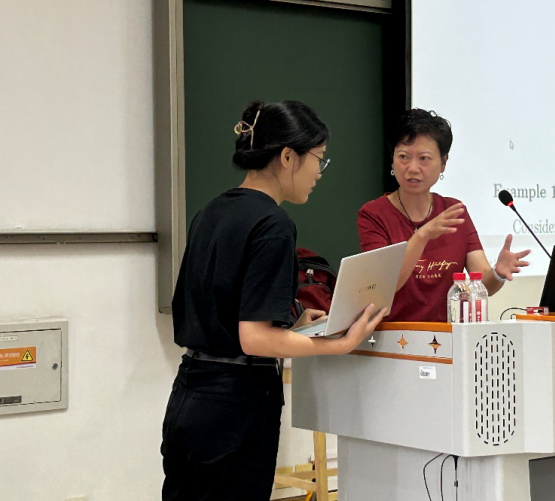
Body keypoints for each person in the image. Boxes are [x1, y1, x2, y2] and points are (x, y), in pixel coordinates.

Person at [162, 100, 387, 501]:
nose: (319, 172)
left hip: (189, 395)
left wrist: (294, 327)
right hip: (236, 404)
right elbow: (254, 339)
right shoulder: (273, 223)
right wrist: (338, 344)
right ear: (287, 157)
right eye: (318, 158)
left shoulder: (210, 211)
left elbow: (226, 314)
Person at [357, 108, 530, 322]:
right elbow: (384, 286)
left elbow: (483, 285)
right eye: (403, 157)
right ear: (392, 160)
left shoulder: (454, 211)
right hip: (391, 336)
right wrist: (422, 236)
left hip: (444, 336)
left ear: (443, 163)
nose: (413, 168)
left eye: (424, 158)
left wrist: (497, 273)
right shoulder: (373, 214)